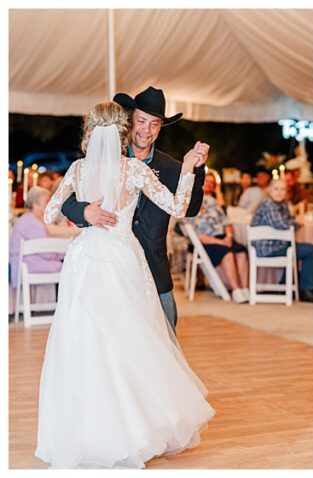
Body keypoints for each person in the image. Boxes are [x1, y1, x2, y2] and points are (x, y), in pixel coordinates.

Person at [35, 101, 214, 468]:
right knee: (129, 342)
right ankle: (132, 431)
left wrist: (82, 207)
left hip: (84, 259)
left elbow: (50, 212)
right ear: (122, 131)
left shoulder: (77, 169)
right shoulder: (133, 170)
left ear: (89, 132)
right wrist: (190, 168)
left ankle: (89, 431)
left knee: (87, 343)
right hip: (120, 259)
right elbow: (178, 205)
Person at [60, 86, 207, 332]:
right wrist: (85, 212)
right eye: (141, 121)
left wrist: (197, 169)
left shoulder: (172, 167)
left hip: (153, 266)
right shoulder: (103, 158)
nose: (146, 130)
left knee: (166, 335)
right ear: (129, 121)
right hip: (107, 269)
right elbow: (66, 200)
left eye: (154, 124)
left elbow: (189, 209)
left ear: (160, 127)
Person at [250, 178, 313, 302]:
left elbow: (288, 222)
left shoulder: (283, 204)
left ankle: (284, 284)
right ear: (270, 191)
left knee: (296, 248)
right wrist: (297, 222)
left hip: (279, 245)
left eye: (282, 189)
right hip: (267, 248)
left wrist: (294, 222)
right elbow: (282, 225)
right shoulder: (268, 204)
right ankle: (307, 289)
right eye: (276, 189)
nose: (279, 192)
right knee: (310, 250)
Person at [188, 174, 250, 303]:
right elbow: (198, 234)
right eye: (207, 181)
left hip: (223, 237)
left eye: (212, 182)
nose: (209, 184)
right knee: (227, 253)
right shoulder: (192, 202)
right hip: (206, 241)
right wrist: (220, 242)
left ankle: (245, 289)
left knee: (241, 252)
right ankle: (236, 290)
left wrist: (228, 236)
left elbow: (225, 222)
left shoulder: (214, 202)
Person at [10, 187, 65, 295]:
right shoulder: (34, 223)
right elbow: (46, 252)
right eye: (46, 201)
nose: (49, 205)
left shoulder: (27, 219)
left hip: (24, 264)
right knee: (68, 264)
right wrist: (62, 254)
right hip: (28, 265)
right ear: (35, 205)